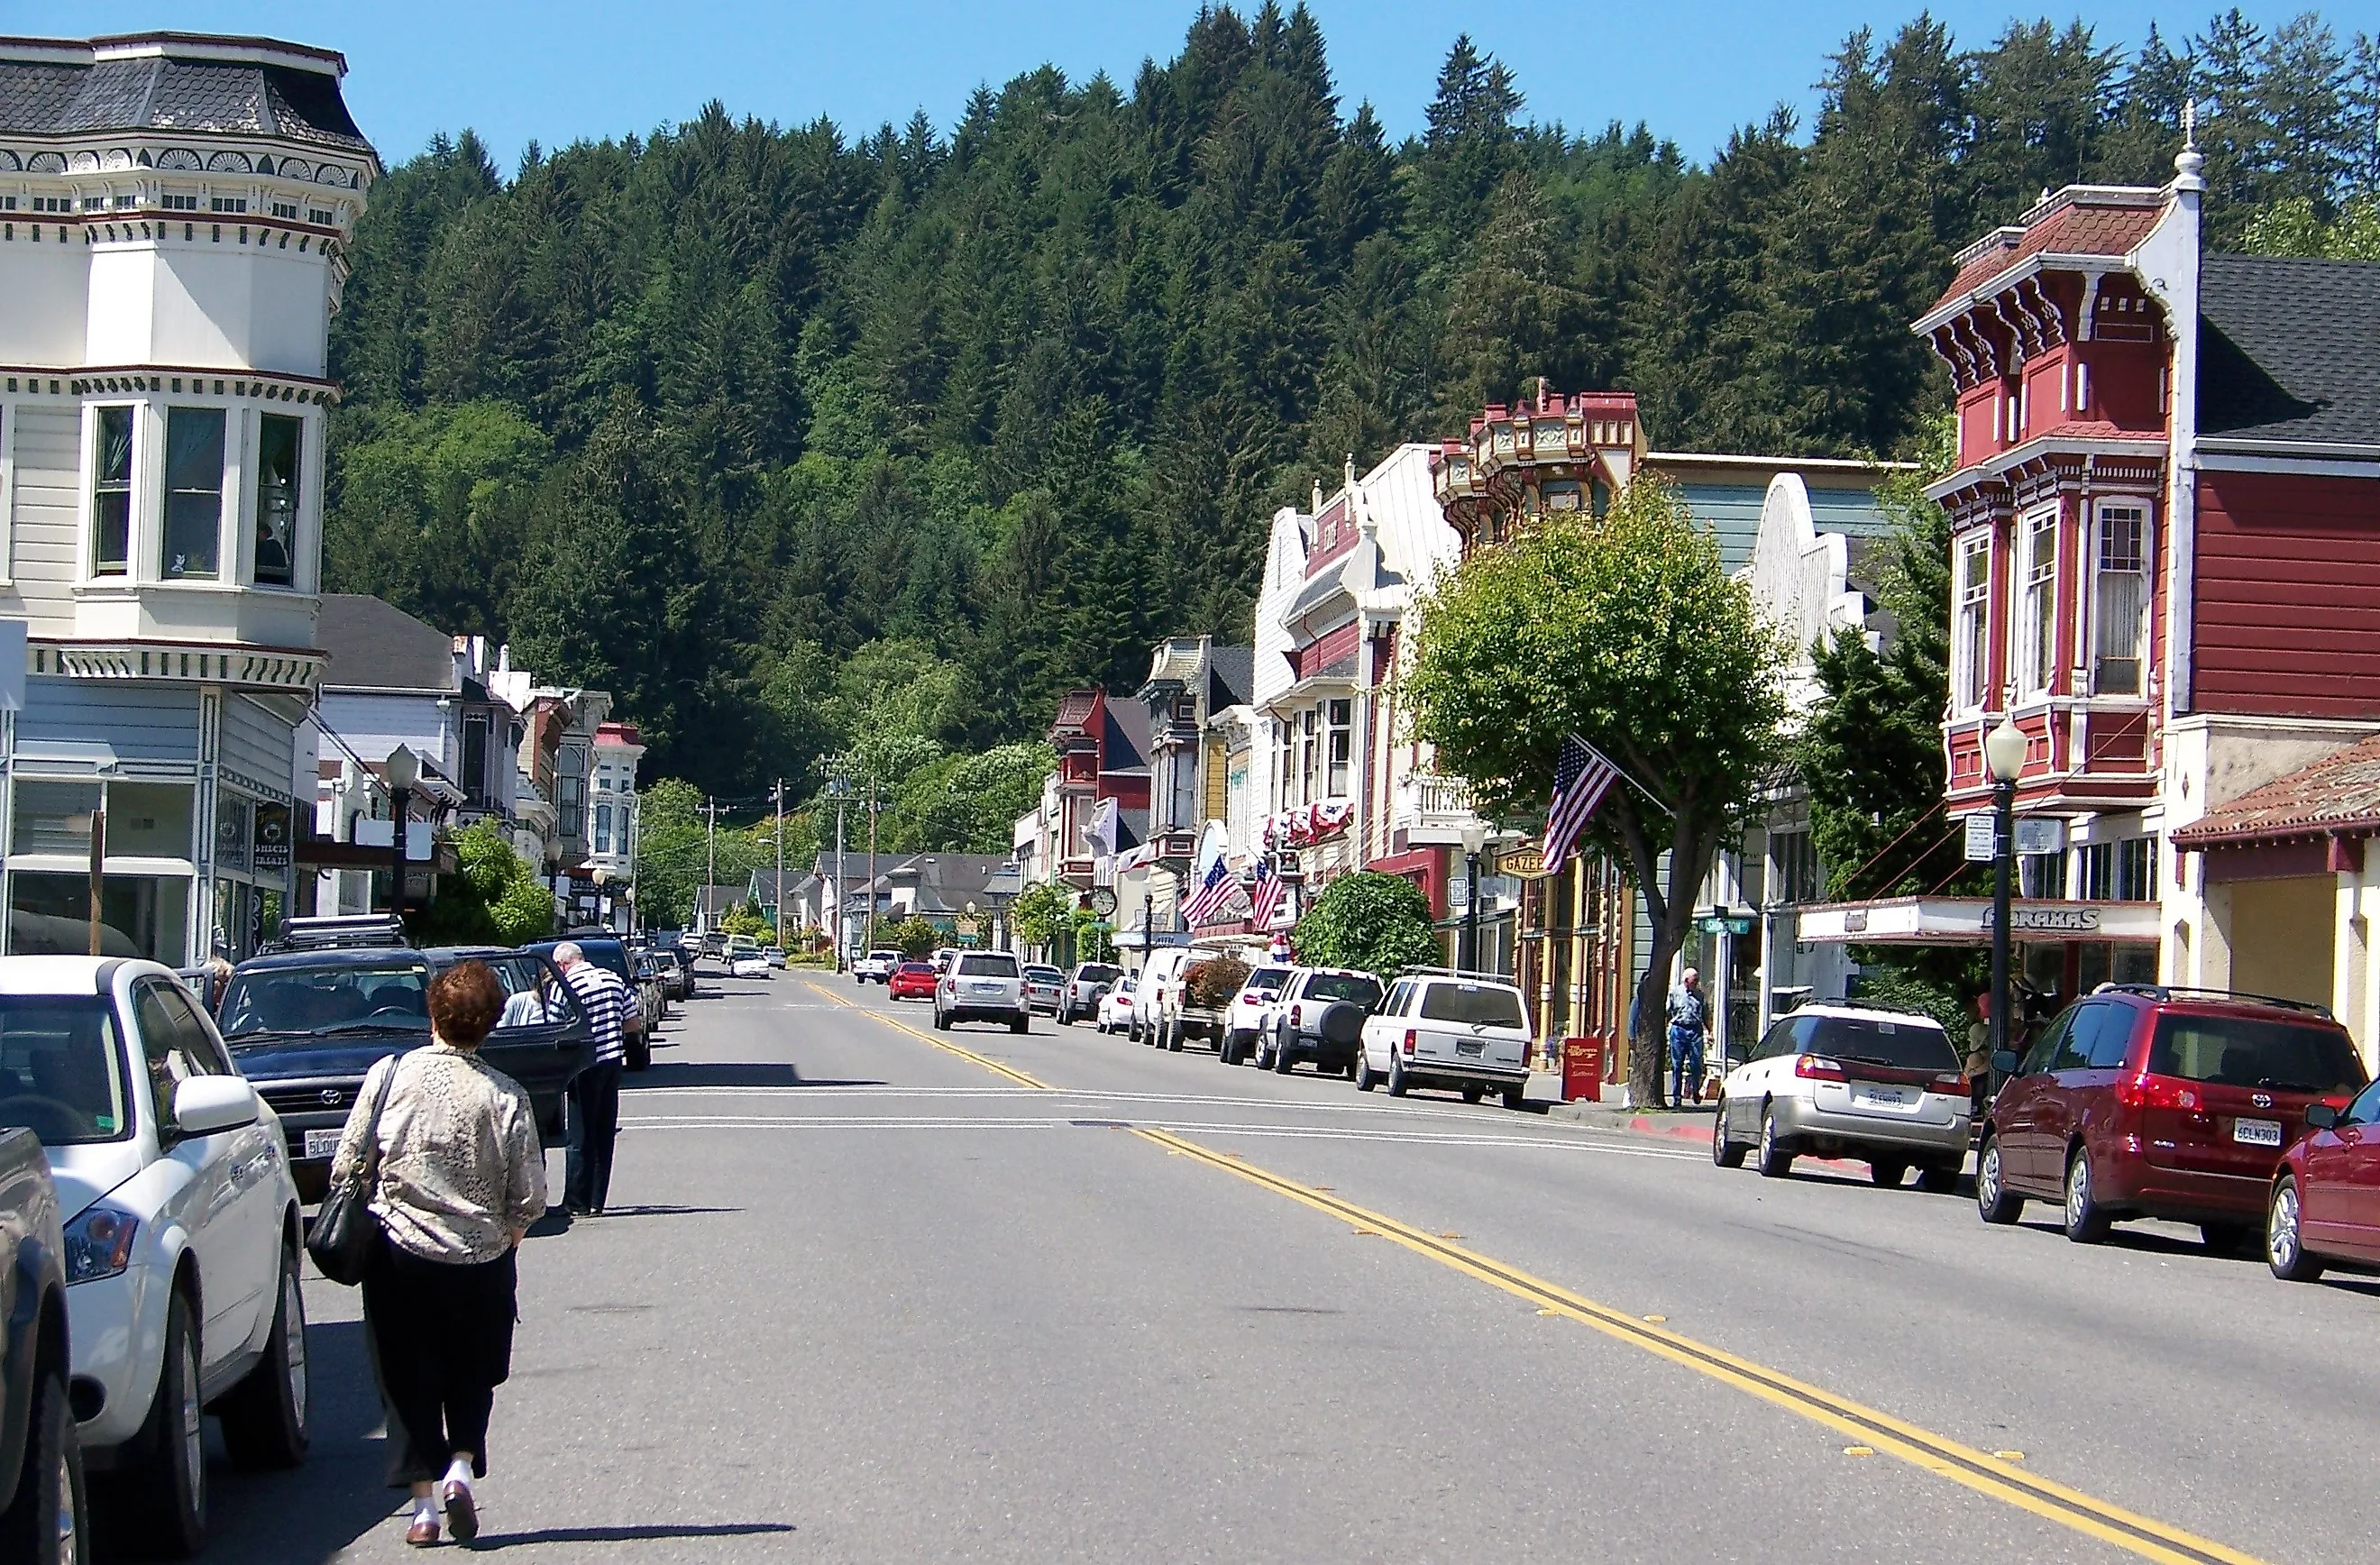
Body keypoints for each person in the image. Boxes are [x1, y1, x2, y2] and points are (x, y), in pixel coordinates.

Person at [330, 960, 545, 1548]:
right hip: (480, 1259)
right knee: (472, 1373)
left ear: (433, 1013)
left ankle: (423, 1510)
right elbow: (529, 1196)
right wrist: (506, 1237)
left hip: (399, 1253)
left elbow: (347, 1161)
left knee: (407, 1379)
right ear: (491, 1025)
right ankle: (460, 1469)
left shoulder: (388, 1076)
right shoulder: (506, 1096)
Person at [554, 941, 634, 1217]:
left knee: (579, 1134)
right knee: (603, 1132)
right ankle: (597, 1200)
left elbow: (556, 1024)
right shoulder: (613, 979)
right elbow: (633, 1022)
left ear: (563, 965)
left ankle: (576, 1201)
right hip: (612, 1062)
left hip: (583, 1063)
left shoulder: (565, 985)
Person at [1666, 968, 1711, 1109]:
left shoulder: (1700, 995)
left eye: (1697, 980)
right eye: (1694, 980)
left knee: (1696, 1063)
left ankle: (1695, 1090)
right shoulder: (1675, 993)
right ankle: (1677, 1097)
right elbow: (1668, 1012)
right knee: (1677, 1065)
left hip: (1695, 1030)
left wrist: (1710, 1031)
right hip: (1679, 1029)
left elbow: (1705, 1014)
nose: (1697, 983)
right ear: (1686, 981)